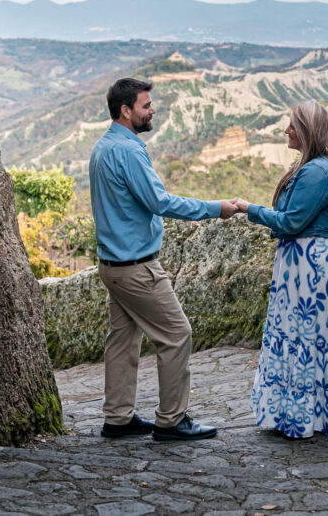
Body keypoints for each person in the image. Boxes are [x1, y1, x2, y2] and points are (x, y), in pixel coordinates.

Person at [90, 77, 238, 441]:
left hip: (112, 266)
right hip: (136, 267)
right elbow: (161, 202)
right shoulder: (129, 151)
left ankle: (118, 418)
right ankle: (172, 420)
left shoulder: (103, 146)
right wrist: (215, 208)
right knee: (176, 334)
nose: (152, 110)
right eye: (145, 105)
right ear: (126, 111)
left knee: (123, 340)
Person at [232, 100, 328, 438]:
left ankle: (305, 414)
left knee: (307, 337)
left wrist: (250, 209)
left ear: (306, 130)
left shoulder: (316, 171)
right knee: (310, 336)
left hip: (312, 265)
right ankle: (315, 410)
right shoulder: (311, 168)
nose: (286, 130)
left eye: (292, 125)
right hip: (305, 264)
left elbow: (292, 221)